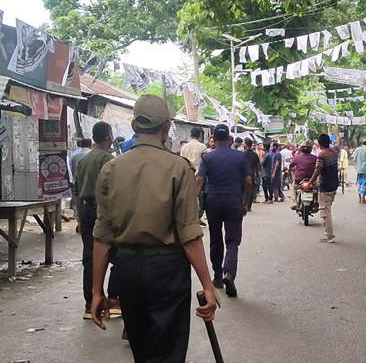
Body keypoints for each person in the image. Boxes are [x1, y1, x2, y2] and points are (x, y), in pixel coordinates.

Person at [89, 95, 216, 361]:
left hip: (128, 269)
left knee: (141, 348)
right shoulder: (179, 168)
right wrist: (208, 285)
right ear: (167, 127)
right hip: (167, 270)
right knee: (168, 350)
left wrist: (97, 290)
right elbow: (189, 234)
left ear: (134, 126)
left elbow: (102, 236)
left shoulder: (111, 169)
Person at [197, 124, 252, 297]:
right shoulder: (239, 157)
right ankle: (230, 273)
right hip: (234, 200)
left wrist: (193, 204)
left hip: (213, 201)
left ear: (213, 137)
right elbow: (249, 182)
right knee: (233, 240)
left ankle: (218, 276)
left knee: (215, 238)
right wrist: (245, 203)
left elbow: (199, 181)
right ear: (229, 138)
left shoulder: (208, 157)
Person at [74, 122, 118, 320]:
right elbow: (114, 191)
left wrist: (80, 216)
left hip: (87, 210)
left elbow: (77, 192)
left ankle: (90, 303)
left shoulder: (83, 160)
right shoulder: (108, 159)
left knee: (90, 258)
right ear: (108, 137)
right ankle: (114, 299)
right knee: (117, 256)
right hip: (105, 211)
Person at [309, 133, 340, 243]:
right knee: (328, 207)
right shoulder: (335, 151)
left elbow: (317, 170)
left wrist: (309, 183)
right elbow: (339, 143)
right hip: (334, 184)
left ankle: (329, 235)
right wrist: (337, 134)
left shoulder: (321, 155)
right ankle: (327, 232)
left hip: (325, 185)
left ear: (319, 144)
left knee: (325, 211)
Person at [289, 140, 318, 209]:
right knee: (318, 188)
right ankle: (317, 202)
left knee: (293, 188)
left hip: (299, 180)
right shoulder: (315, 158)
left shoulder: (297, 157)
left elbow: (290, 166)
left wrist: (291, 172)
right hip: (312, 180)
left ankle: (295, 202)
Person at [69, 138, 92, 219]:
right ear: (90, 145)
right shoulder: (91, 154)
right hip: (89, 181)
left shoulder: (74, 155)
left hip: (77, 179)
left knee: (77, 197)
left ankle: (77, 215)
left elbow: (71, 168)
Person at [244, 138, 261, 212]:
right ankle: (249, 206)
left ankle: (244, 204)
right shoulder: (255, 155)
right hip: (252, 175)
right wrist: (257, 176)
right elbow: (257, 166)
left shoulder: (243, 154)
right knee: (251, 190)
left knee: (244, 190)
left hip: (244, 175)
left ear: (246, 144)